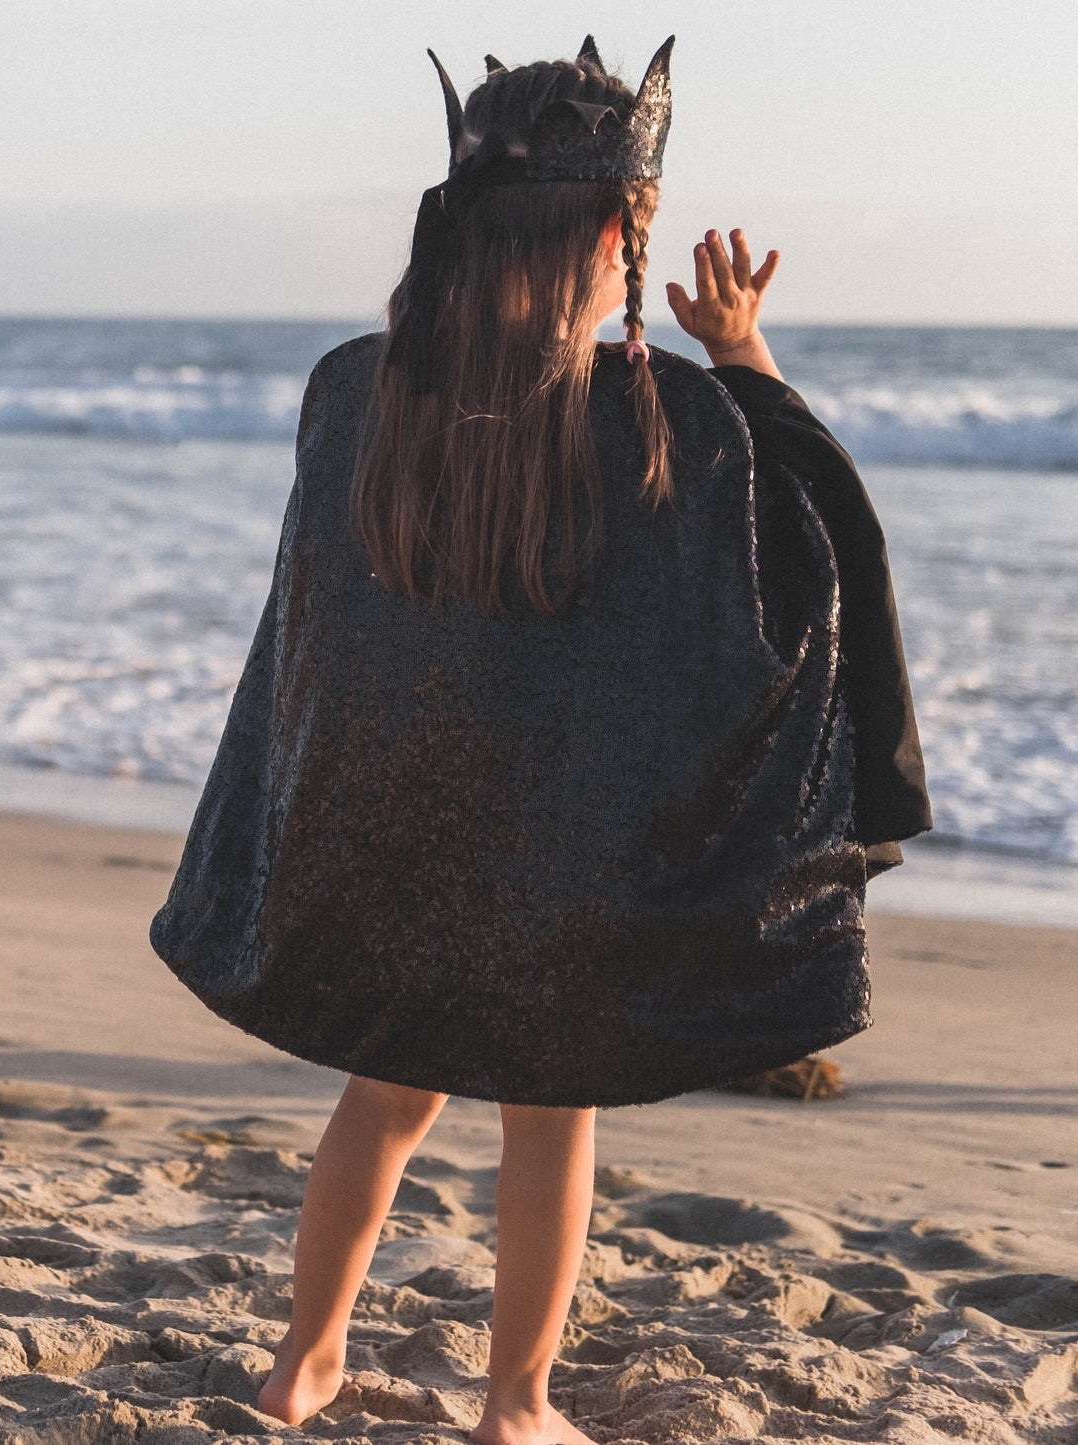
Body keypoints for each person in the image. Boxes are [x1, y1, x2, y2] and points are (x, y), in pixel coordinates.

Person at [150, 35, 931, 1445]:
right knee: (548, 1112)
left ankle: (301, 1364)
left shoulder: (355, 394)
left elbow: (324, 636)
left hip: (400, 816)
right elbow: (806, 557)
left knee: (383, 1092)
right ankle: (516, 1401)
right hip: (566, 854)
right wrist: (742, 355)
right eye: (634, 221)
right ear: (612, 228)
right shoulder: (665, 416)